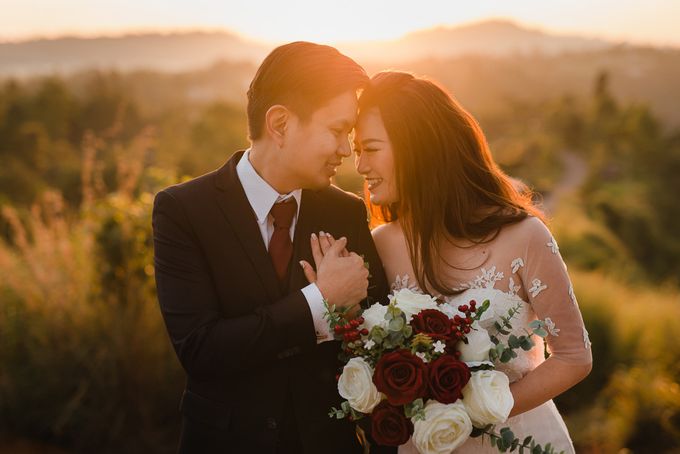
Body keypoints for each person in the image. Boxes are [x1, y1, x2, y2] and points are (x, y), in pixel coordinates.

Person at [152, 42, 391, 453]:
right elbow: (202, 350)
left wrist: (350, 317)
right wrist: (320, 302)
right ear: (279, 124)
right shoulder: (183, 211)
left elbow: (376, 340)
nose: (346, 151)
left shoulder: (346, 213)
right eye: (336, 131)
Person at [351, 71, 593, 453]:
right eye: (355, 151)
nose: (360, 166)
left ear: (419, 147)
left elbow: (574, 358)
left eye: (371, 148)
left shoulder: (525, 235)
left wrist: (474, 413)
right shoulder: (378, 245)